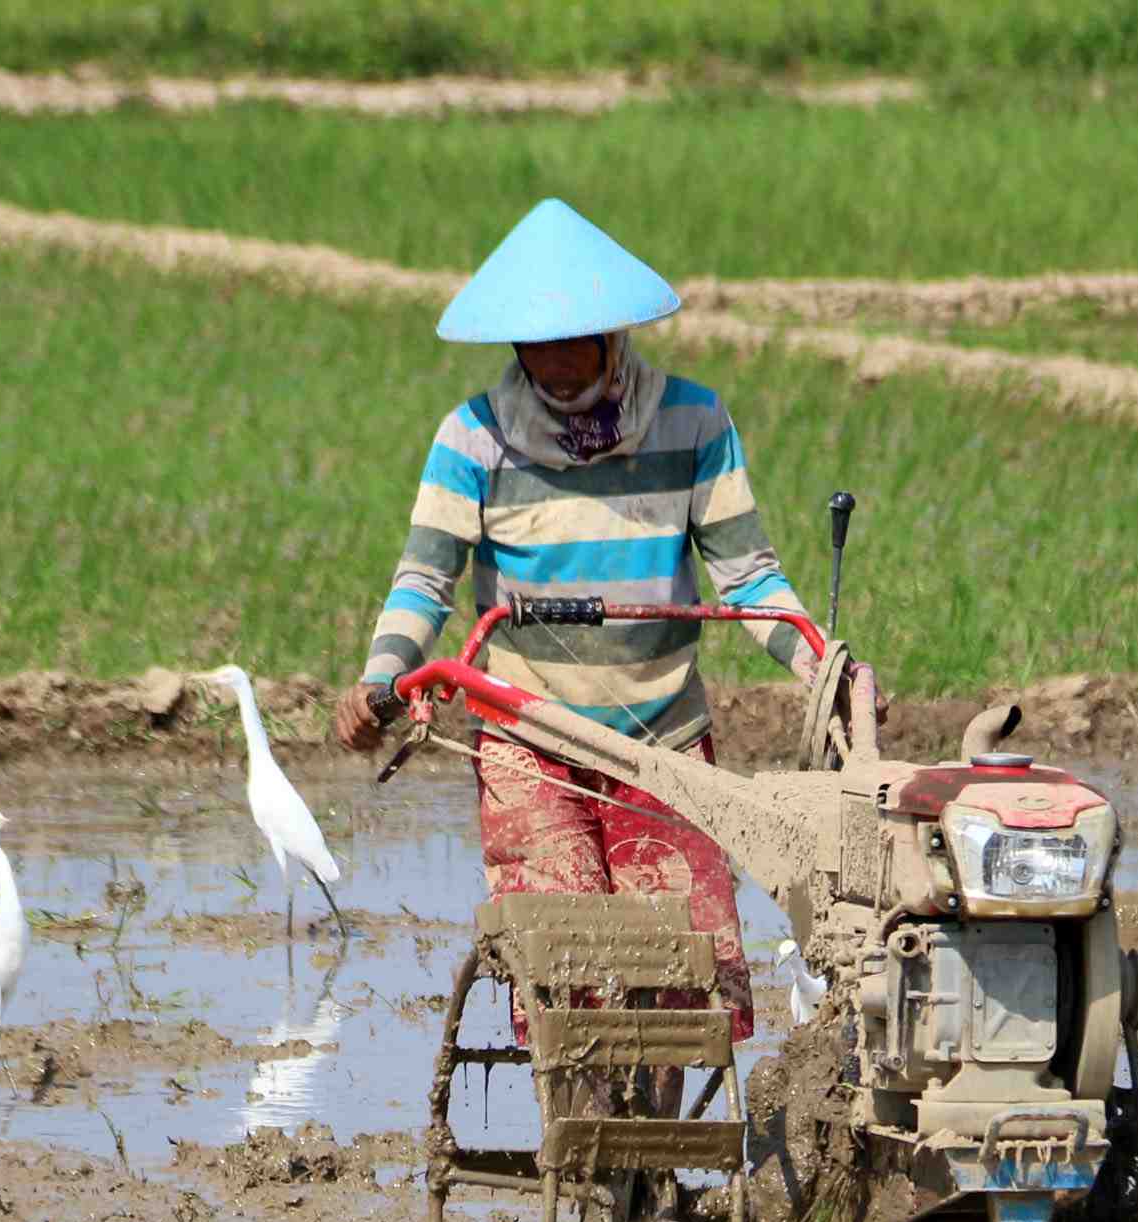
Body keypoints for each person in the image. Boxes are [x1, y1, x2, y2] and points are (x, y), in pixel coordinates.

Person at [333, 198, 878, 1042]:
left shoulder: (694, 422)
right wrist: (384, 679)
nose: (553, 363)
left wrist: (820, 667)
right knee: (565, 965)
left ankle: (650, 1151)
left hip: (661, 732)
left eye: (571, 340)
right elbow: (425, 580)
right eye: (535, 342)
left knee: (683, 976)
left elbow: (747, 574)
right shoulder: (473, 440)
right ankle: (583, 1141)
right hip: (526, 730)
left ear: (613, 336)